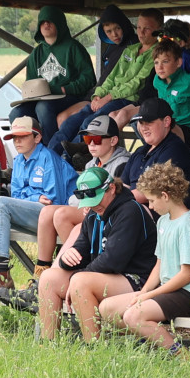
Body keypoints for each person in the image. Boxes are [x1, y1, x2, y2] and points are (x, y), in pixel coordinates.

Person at [0, 115, 78, 301]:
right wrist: (36, 195)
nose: (17, 141)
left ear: (37, 138)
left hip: (51, 218)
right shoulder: (19, 160)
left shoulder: (48, 158)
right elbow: (17, 196)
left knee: (0, 202)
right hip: (32, 211)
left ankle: (3, 275)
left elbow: (55, 201)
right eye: (14, 137)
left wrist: (30, 196)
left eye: (23, 136)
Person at [99, 161, 190, 348]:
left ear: (165, 196)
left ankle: (179, 354)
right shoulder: (163, 222)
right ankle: (152, 339)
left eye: (152, 201)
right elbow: (159, 264)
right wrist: (143, 293)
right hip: (168, 290)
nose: (150, 207)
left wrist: (149, 295)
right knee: (107, 308)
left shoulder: (188, 224)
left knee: (133, 315)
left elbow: (187, 275)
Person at [38, 166, 159, 341]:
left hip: (135, 279)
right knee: (49, 277)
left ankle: (92, 348)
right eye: (88, 201)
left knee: (81, 281)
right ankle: (47, 343)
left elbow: (113, 261)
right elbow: (81, 249)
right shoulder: (93, 211)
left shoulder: (130, 211)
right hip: (103, 277)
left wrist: (77, 277)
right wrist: (66, 258)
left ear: (111, 189)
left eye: (96, 198)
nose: (93, 205)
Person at [53, 10, 161, 150]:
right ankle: (50, 156)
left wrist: (108, 97)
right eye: (139, 27)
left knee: (90, 122)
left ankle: (73, 157)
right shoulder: (130, 49)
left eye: (147, 29)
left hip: (127, 99)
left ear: (158, 30)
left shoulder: (157, 53)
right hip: (109, 97)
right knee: (71, 121)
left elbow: (136, 84)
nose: (141, 32)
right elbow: (111, 77)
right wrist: (98, 95)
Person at [36, 112, 127, 268]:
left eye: (97, 139)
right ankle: (42, 268)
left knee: (61, 215)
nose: (91, 144)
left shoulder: (122, 163)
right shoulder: (91, 164)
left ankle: (78, 264)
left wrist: (88, 203)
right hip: (91, 210)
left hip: (108, 214)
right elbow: (77, 195)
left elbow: (117, 198)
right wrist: (85, 202)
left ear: (113, 140)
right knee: (47, 212)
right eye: (87, 139)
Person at [16, 6, 96, 139]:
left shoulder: (73, 48)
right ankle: (31, 151)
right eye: (43, 21)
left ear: (59, 23)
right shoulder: (37, 53)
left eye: (50, 21)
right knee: (17, 113)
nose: (46, 24)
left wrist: (66, 89)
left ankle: (51, 150)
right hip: (42, 99)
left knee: (43, 108)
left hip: (69, 96)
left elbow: (89, 79)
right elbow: (30, 82)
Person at [116, 97, 190, 203]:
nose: (143, 127)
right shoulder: (140, 152)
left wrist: (118, 200)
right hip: (133, 210)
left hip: (164, 216)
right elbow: (122, 186)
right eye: (141, 122)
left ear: (166, 121)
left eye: (149, 122)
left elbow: (152, 192)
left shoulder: (175, 149)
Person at [150, 38, 190, 147]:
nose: (159, 67)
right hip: (166, 128)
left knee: (163, 133)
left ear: (178, 62)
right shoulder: (157, 81)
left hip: (189, 132)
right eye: (156, 62)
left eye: (165, 61)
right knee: (140, 121)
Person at [93, 5, 133, 81]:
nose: (114, 35)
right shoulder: (110, 48)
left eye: (117, 28)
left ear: (124, 26)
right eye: (109, 31)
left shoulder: (135, 45)